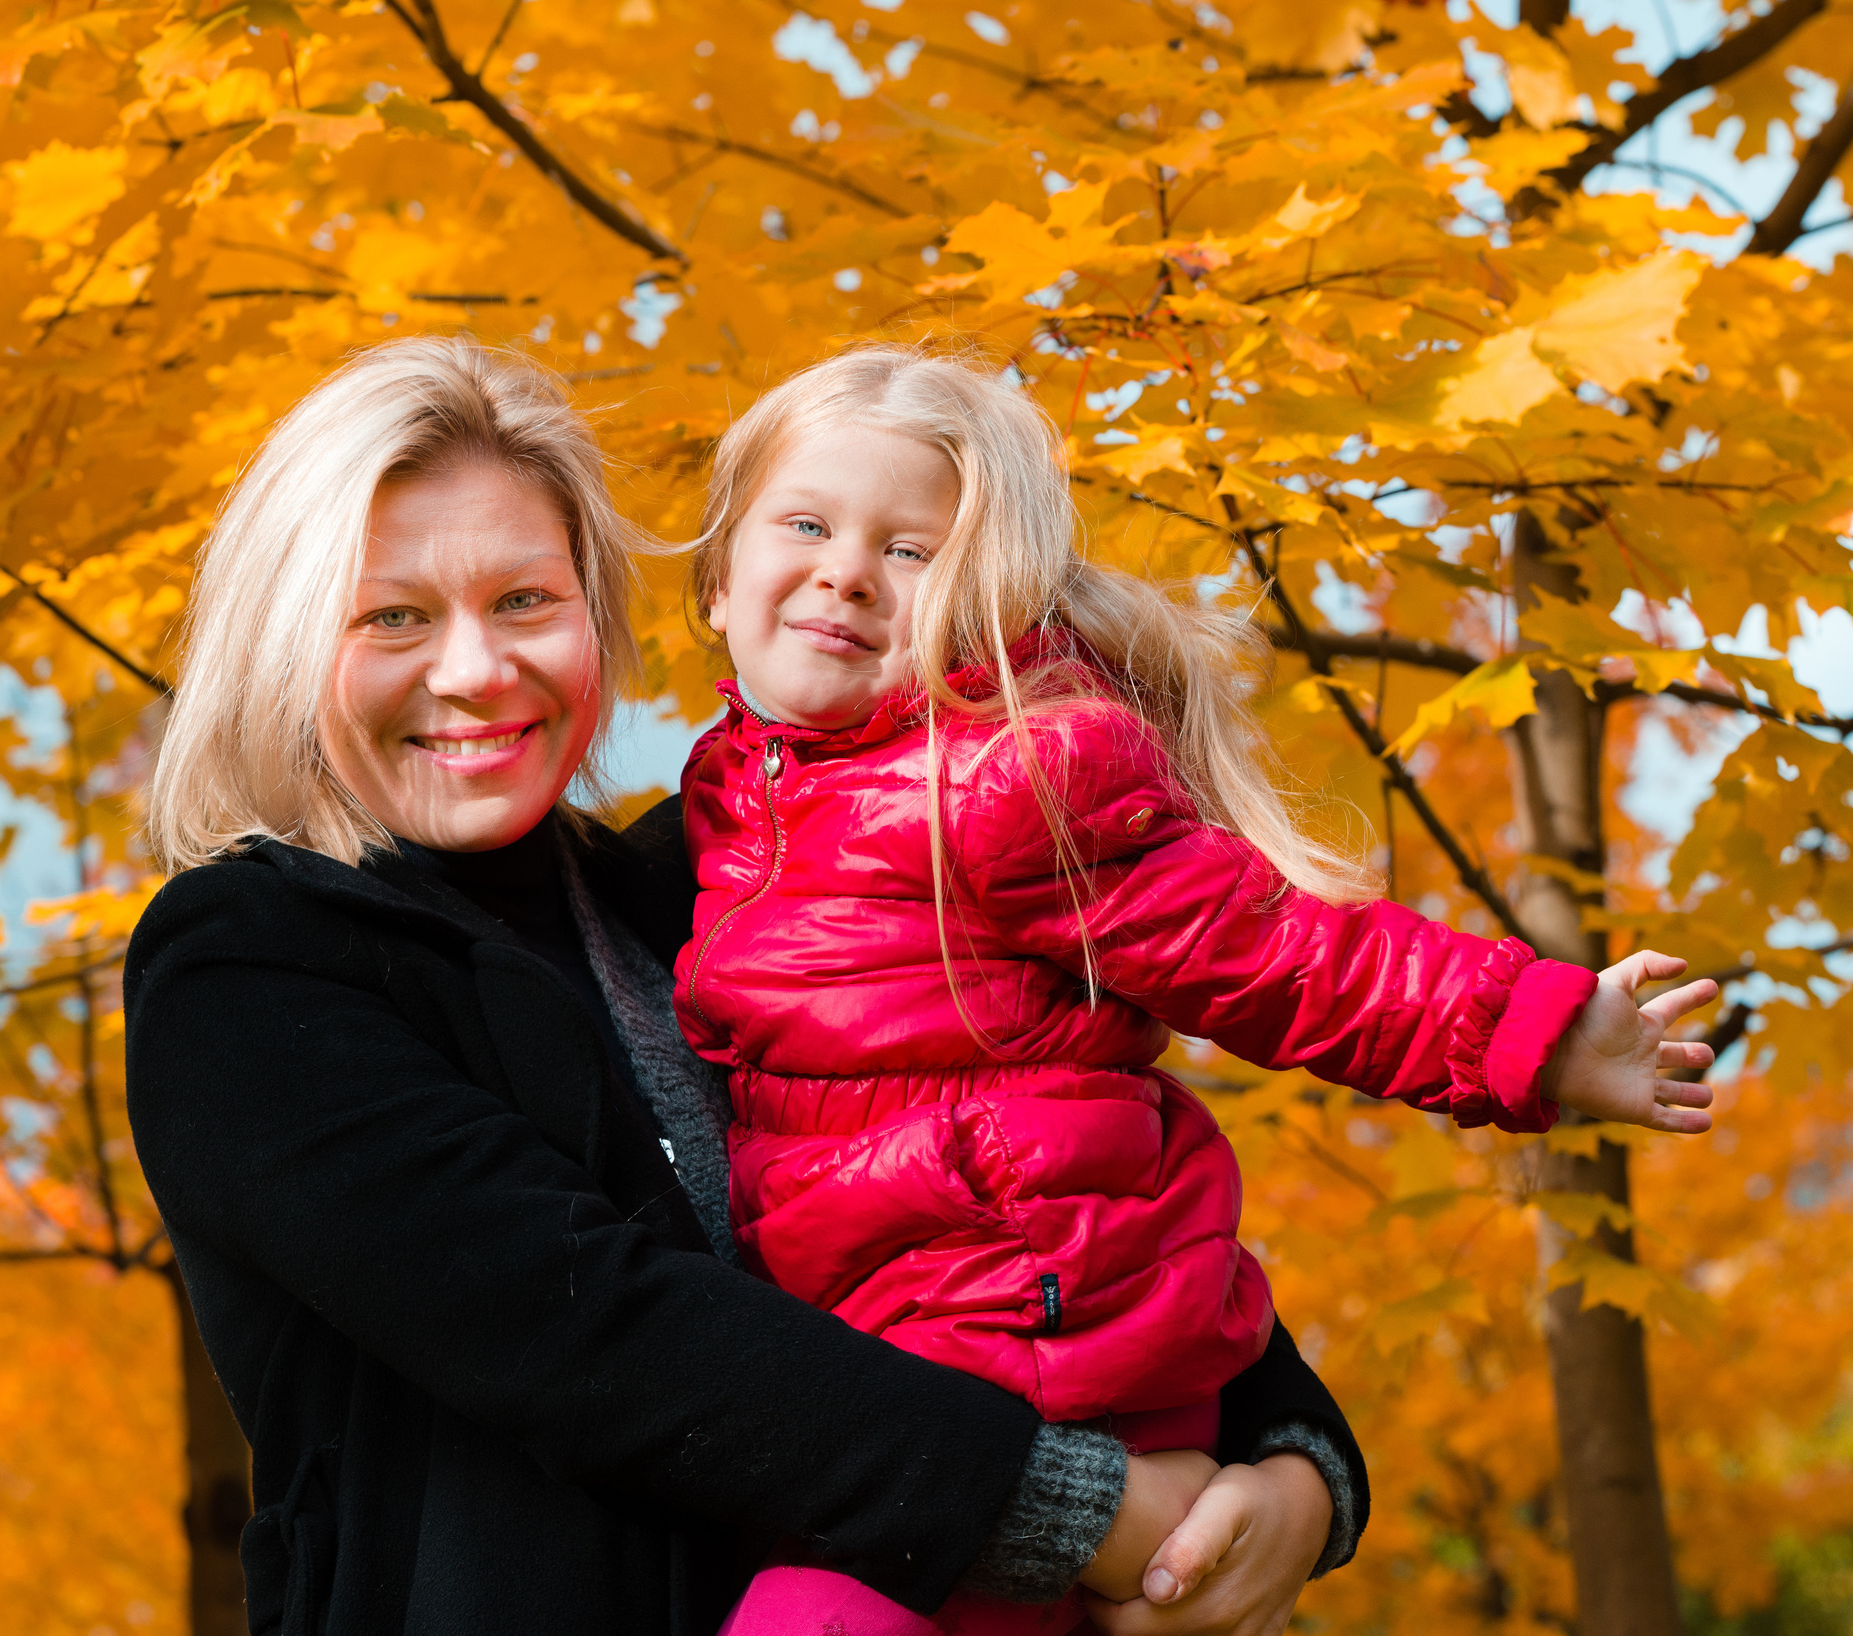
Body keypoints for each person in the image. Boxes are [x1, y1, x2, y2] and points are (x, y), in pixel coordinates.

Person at [123, 337, 1371, 1636]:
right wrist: (1089, 1515)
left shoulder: (723, 888)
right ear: (284, 640)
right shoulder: (243, 964)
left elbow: (1052, 1168)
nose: (475, 670)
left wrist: (1294, 1468)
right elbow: (588, 1329)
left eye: (524, 601)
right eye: (394, 616)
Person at [674, 345, 1724, 1636]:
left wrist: (1534, 1030)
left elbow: (1275, 952)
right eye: (806, 523)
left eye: (911, 551)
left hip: (1034, 1315)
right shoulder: (733, 795)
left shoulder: (1009, 784)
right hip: (899, 1318)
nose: (846, 568)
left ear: (989, 608)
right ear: (719, 576)